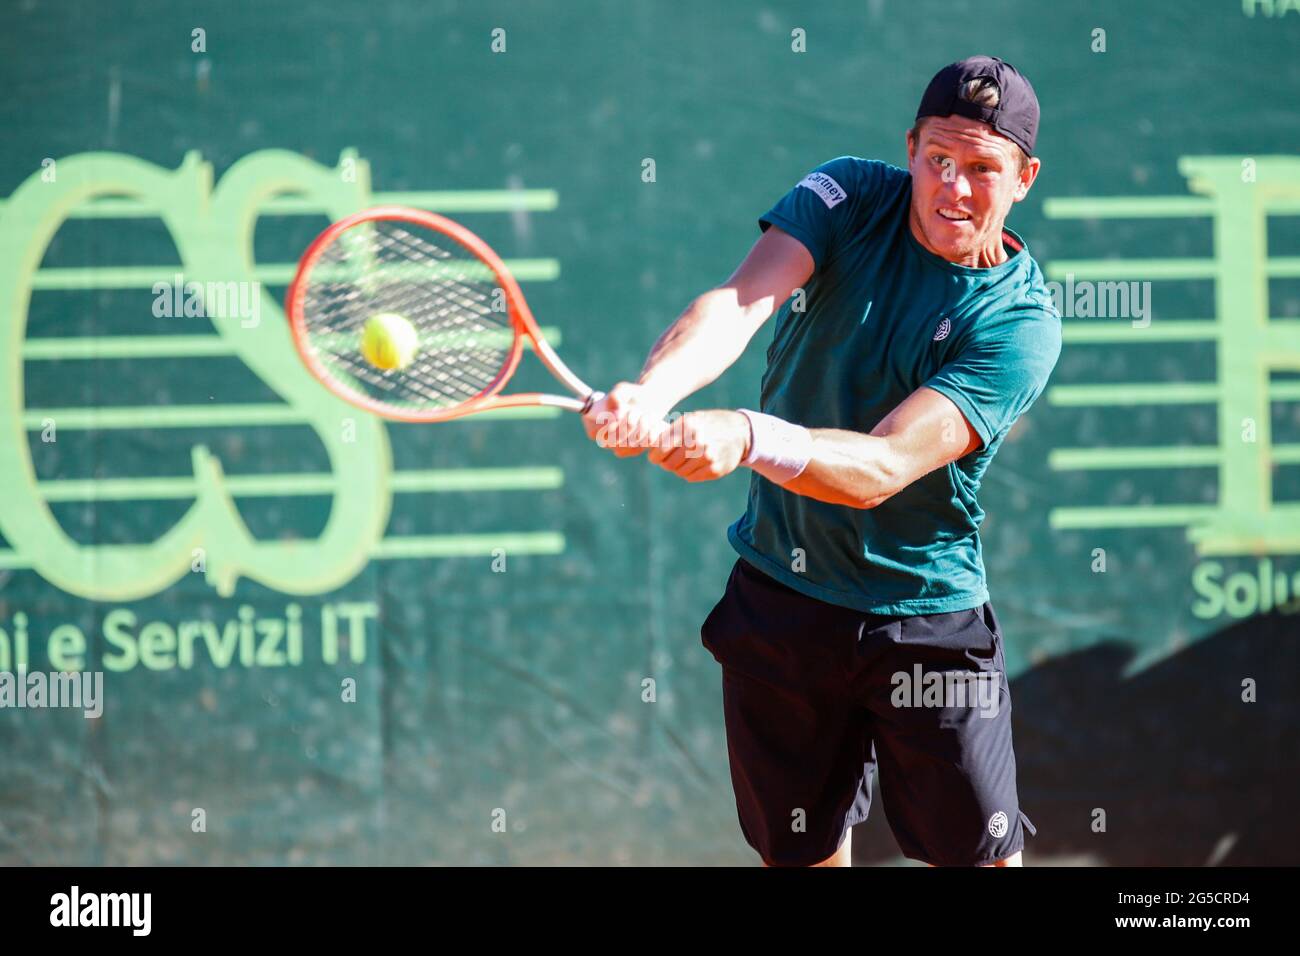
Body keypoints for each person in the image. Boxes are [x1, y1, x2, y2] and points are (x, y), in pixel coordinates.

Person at [582, 56, 1061, 867]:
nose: (954, 188)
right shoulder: (846, 195)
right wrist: (653, 390)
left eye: (983, 169)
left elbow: (883, 466)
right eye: (938, 159)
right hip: (784, 600)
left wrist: (745, 434)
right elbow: (741, 302)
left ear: (1024, 177)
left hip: (925, 620)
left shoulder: (1020, 324)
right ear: (909, 147)